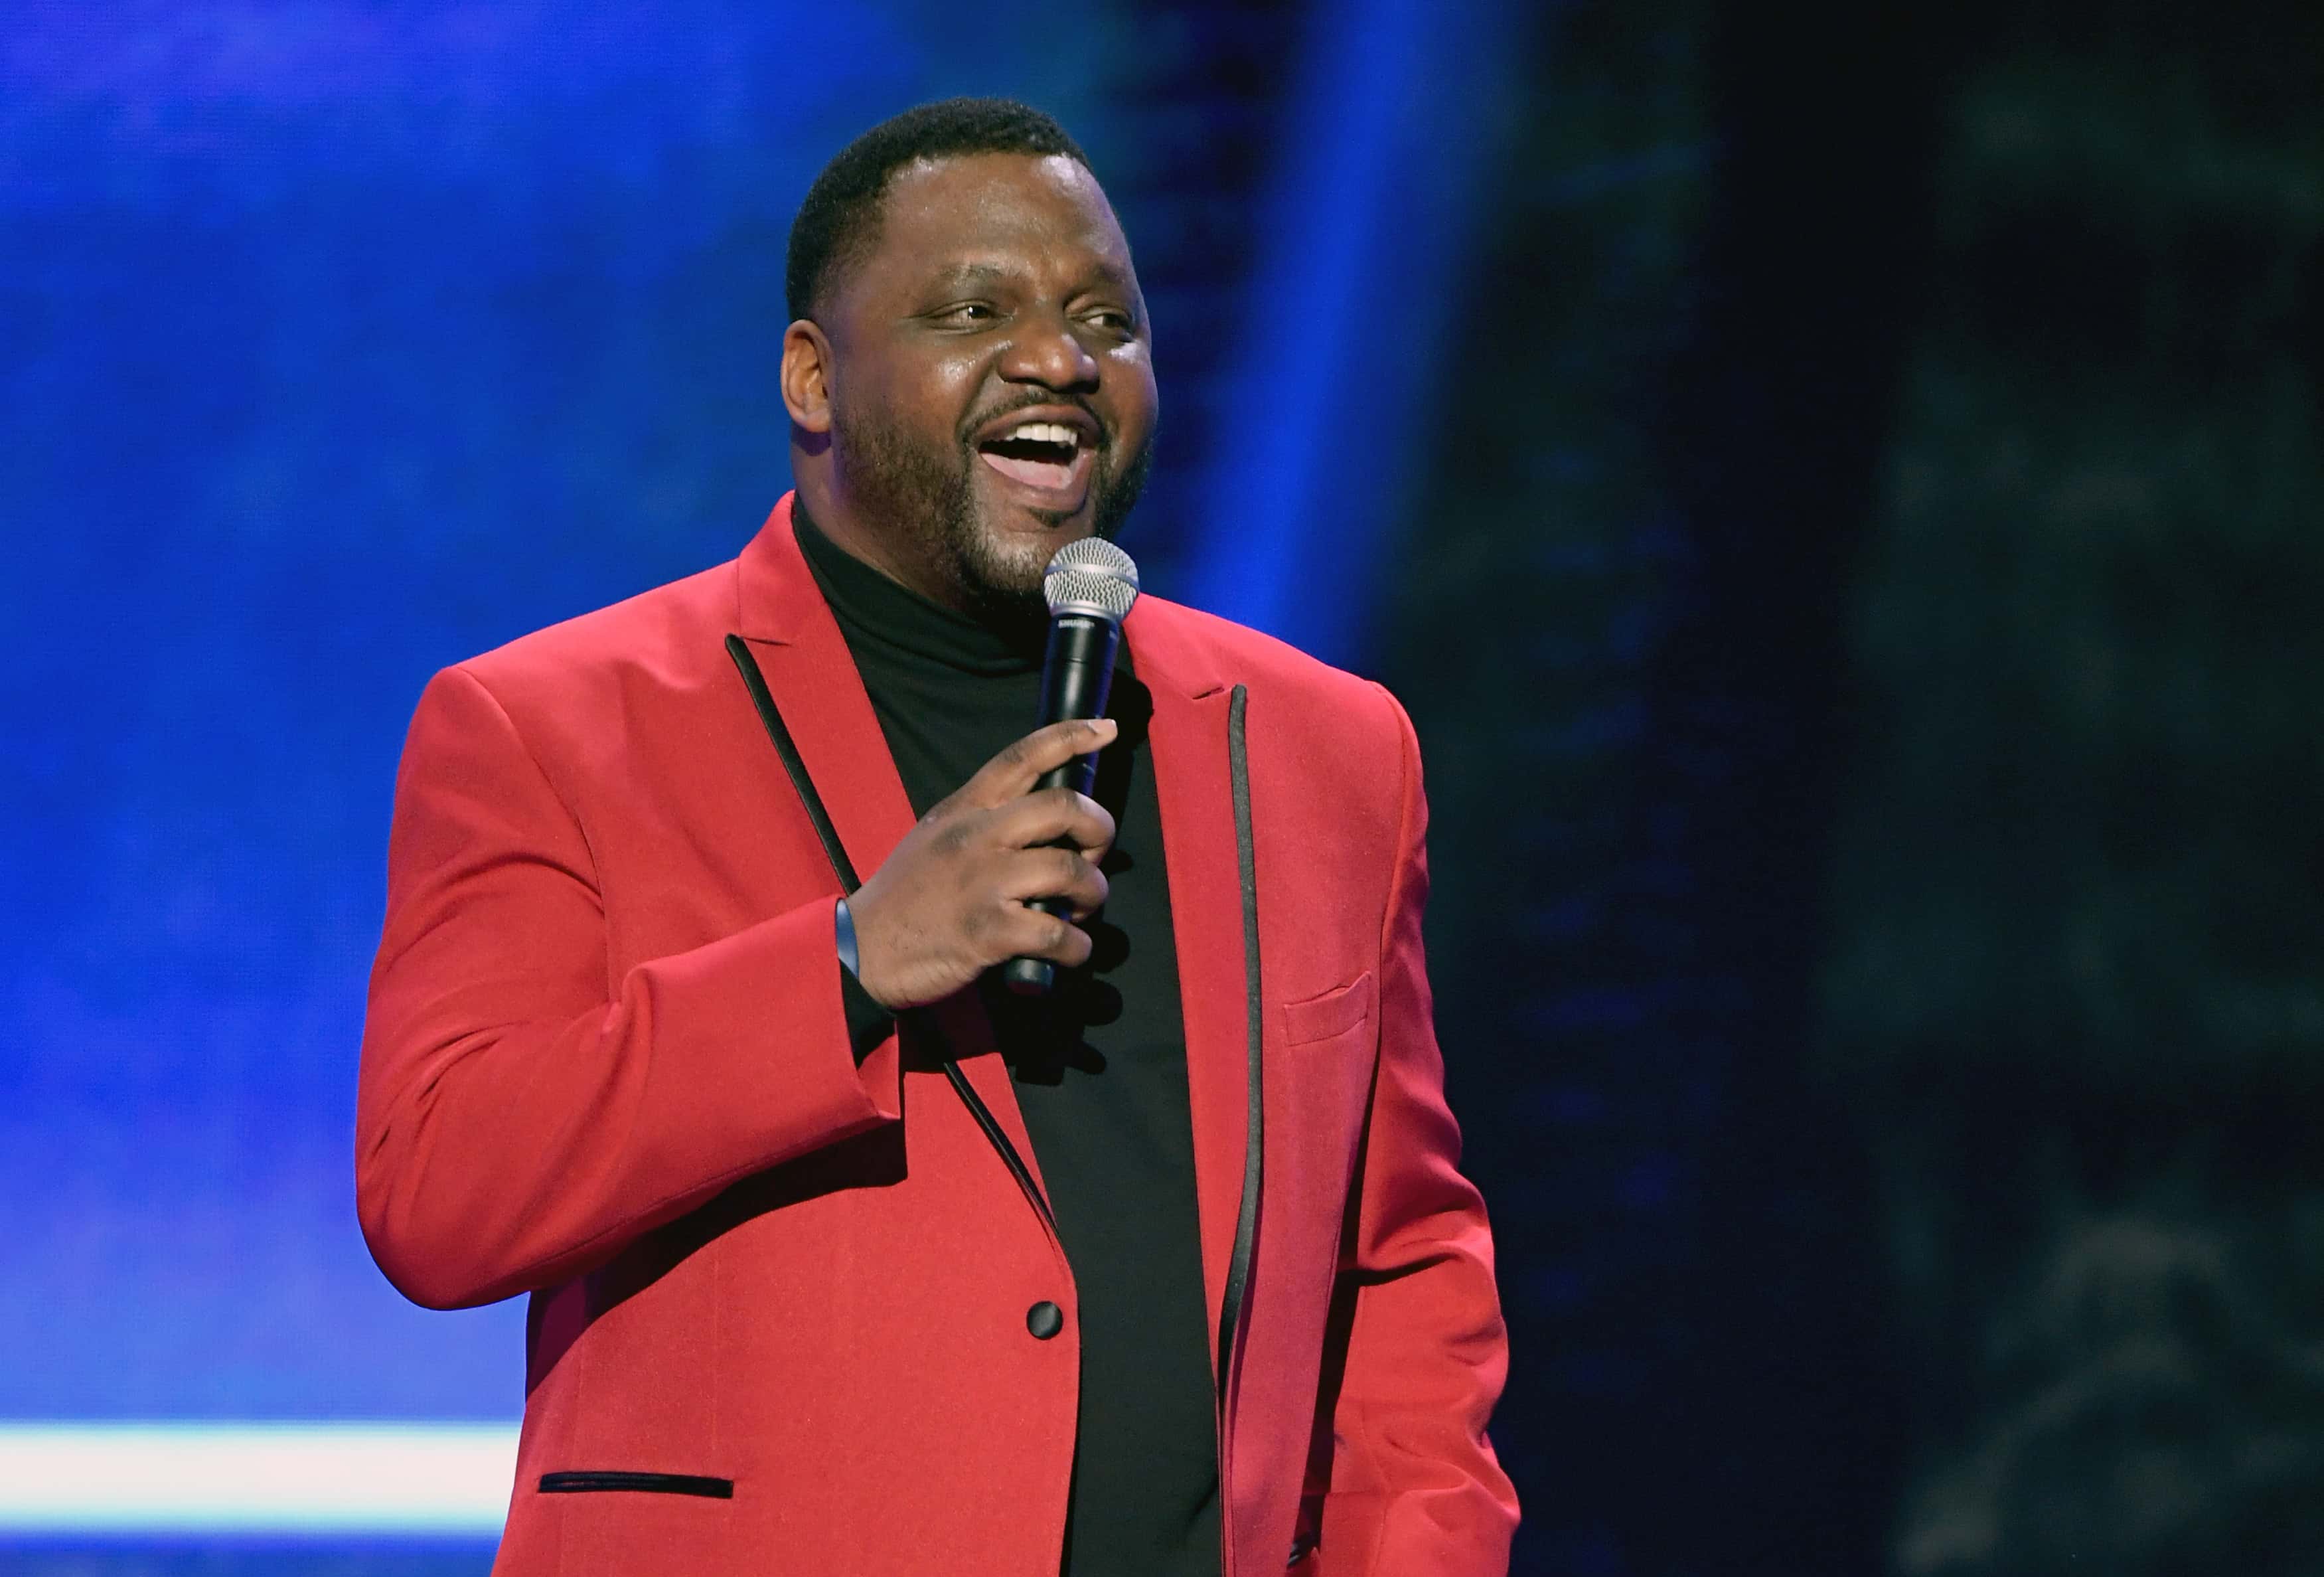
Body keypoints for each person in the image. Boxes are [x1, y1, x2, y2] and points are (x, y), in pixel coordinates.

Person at [356, 97, 1515, 1576]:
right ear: (813, 376)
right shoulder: (552, 727)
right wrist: (850, 961)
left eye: (1106, 320)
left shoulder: (1324, 751)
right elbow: (440, 1192)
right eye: (976, 310)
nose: (1060, 360)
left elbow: (1402, 1269)